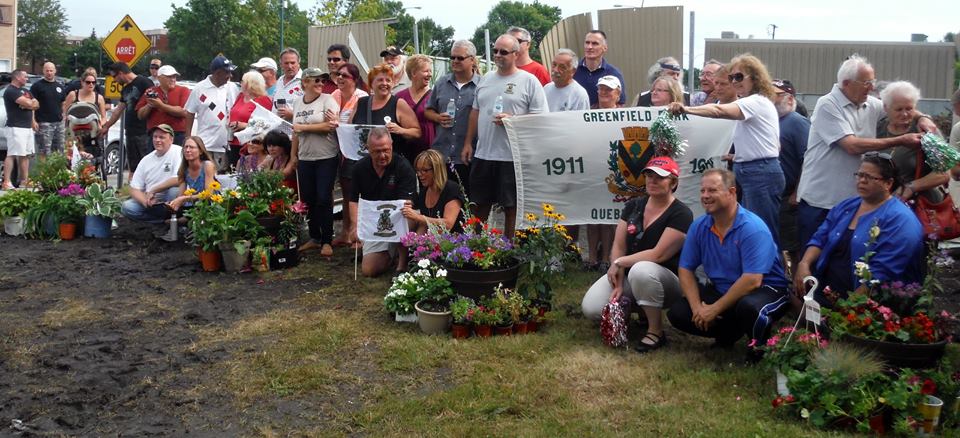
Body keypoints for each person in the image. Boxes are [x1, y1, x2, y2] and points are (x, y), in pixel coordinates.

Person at [795, 54, 935, 249]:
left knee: (845, 259)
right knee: (815, 255)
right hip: (822, 200)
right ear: (846, 83)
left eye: (873, 81)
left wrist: (923, 118)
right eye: (867, 82)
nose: (872, 87)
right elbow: (851, 145)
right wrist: (901, 140)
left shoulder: (870, 103)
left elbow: (897, 105)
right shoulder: (828, 104)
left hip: (852, 201)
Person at [666, 169, 791, 355]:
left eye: (712, 190)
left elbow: (752, 280)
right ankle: (729, 333)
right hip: (724, 290)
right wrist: (698, 309)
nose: (705, 196)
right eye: (702, 191)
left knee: (749, 308)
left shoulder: (752, 228)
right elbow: (685, 269)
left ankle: (759, 349)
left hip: (766, 289)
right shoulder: (699, 226)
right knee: (678, 313)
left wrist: (714, 309)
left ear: (732, 192)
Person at [668, 54, 785, 248]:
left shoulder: (755, 101)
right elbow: (774, 145)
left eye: (738, 77)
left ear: (754, 78)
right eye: (732, 78)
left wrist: (686, 109)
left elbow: (718, 111)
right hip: (753, 170)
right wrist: (739, 156)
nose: (734, 82)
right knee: (753, 231)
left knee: (762, 232)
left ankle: (770, 277)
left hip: (759, 173)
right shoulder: (754, 102)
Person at [581, 157, 693, 353]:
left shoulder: (682, 213)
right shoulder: (634, 205)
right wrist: (618, 278)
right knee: (590, 308)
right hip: (632, 275)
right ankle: (639, 310)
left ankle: (656, 331)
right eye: (649, 175)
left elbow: (658, 255)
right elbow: (618, 244)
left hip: (668, 281)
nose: (652, 180)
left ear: (673, 182)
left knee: (642, 270)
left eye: (660, 177)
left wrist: (620, 262)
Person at [793, 153, 924, 307]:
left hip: (866, 302)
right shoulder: (846, 206)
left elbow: (882, 273)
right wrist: (804, 264)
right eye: (860, 175)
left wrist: (848, 309)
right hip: (828, 290)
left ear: (888, 183)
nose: (862, 180)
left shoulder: (900, 220)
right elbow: (820, 238)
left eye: (869, 177)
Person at [462, 34, 548, 238]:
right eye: (495, 51)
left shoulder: (529, 81)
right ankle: (476, 249)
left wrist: (513, 119)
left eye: (504, 52)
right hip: (484, 153)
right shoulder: (486, 79)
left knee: (511, 207)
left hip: (512, 156)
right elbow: (476, 111)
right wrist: (468, 142)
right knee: (480, 205)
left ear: (516, 54)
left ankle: (509, 252)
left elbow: (541, 117)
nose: (498, 55)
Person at [348, 127, 417, 277]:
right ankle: (388, 255)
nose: (383, 155)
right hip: (373, 222)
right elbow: (353, 200)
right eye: (377, 151)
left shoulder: (404, 167)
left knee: (406, 219)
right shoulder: (359, 168)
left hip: (400, 217)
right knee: (369, 270)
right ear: (368, 149)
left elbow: (407, 204)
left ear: (391, 146)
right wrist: (355, 226)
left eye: (386, 150)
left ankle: (402, 262)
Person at [877, 81, 951, 207]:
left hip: (920, 205)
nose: (905, 114)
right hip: (883, 202)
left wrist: (911, 186)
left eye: (909, 108)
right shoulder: (879, 127)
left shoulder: (926, 130)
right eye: (899, 109)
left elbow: (944, 173)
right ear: (885, 108)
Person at [292, 67, 341, 257]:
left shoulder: (328, 100)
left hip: (325, 156)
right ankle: (314, 237)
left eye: (322, 81)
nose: (321, 84)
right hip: (305, 157)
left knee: (323, 197)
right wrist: (293, 155)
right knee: (308, 198)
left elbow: (330, 126)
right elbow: (295, 132)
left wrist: (304, 127)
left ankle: (327, 239)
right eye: (316, 80)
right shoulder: (297, 103)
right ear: (305, 82)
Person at [425, 40, 481, 194]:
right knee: (442, 201)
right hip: (442, 154)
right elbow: (427, 110)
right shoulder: (442, 83)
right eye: (452, 57)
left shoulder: (481, 86)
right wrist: (437, 118)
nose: (455, 61)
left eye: (460, 58)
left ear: (472, 60)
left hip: (468, 155)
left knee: (468, 203)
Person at [147, 135, 218, 241]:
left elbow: (208, 194)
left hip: (209, 202)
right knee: (167, 214)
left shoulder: (207, 165)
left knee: (197, 211)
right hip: (194, 202)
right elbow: (181, 194)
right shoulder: (183, 169)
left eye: (192, 147)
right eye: (186, 147)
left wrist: (183, 199)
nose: (188, 150)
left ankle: (186, 223)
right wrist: (174, 203)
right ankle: (182, 224)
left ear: (200, 151)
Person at [585, 75, 623, 271]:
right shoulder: (589, 113)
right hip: (592, 169)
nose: (604, 93)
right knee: (592, 215)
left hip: (614, 172)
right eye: (601, 89)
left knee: (609, 217)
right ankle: (592, 258)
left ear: (618, 93)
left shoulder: (626, 115)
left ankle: (608, 257)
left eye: (608, 89)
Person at [772, 79, 811, 267]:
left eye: (775, 95)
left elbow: (808, 159)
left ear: (789, 98)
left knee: (793, 249)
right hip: (774, 195)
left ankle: (798, 290)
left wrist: (798, 191)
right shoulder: (772, 121)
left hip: (789, 197)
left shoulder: (797, 122)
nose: (770, 99)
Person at [350, 63, 421, 165]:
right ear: (371, 84)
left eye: (388, 80)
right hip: (363, 164)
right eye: (380, 80)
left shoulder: (399, 104)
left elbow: (417, 132)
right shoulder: (361, 102)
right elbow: (350, 129)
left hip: (391, 165)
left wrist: (400, 130)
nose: (384, 83)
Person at [331, 62, 369, 248]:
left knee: (357, 193)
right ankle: (345, 232)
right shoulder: (334, 95)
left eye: (344, 75)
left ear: (354, 79)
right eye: (338, 74)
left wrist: (339, 124)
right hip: (337, 150)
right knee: (346, 193)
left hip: (356, 152)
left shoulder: (362, 97)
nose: (339, 78)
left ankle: (358, 233)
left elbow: (358, 127)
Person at [120, 124, 183, 228]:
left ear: (171, 139)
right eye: (155, 137)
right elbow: (134, 188)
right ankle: (161, 222)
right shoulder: (146, 160)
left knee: (174, 191)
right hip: (152, 202)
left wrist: (153, 190)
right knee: (127, 207)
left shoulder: (178, 152)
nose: (157, 140)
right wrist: (145, 201)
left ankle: (173, 220)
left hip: (170, 200)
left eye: (162, 137)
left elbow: (179, 179)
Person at [185, 55, 238, 172]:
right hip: (205, 144)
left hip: (226, 144)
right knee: (204, 176)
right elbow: (189, 113)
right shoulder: (199, 88)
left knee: (223, 178)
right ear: (218, 73)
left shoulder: (232, 87)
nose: (230, 76)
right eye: (227, 72)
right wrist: (188, 138)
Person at [102, 62, 155, 176]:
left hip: (143, 131)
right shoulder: (125, 89)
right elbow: (118, 110)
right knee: (133, 167)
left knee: (146, 164)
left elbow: (154, 103)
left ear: (121, 73)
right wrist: (107, 125)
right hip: (130, 132)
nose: (114, 80)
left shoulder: (144, 82)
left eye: (114, 76)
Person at [402, 149, 465, 234]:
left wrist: (418, 217)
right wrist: (415, 242)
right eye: (418, 170)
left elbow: (448, 224)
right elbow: (424, 224)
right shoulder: (424, 192)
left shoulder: (451, 189)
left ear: (436, 170)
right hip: (433, 239)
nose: (420, 174)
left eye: (424, 170)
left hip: (454, 240)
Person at [227, 70, 273, 167]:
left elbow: (267, 125)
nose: (241, 83)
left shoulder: (263, 100)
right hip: (233, 140)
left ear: (250, 84)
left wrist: (244, 125)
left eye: (243, 81)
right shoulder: (240, 96)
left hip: (250, 143)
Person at [135, 65, 190, 145]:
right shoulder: (151, 91)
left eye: (174, 77)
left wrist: (160, 105)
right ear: (159, 78)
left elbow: (183, 112)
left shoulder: (183, 90)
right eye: (169, 77)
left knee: (177, 157)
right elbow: (140, 115)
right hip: (156, 134)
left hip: (177, 134)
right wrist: (149, 105)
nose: (173, 79)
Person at [2, 70, 38, 190]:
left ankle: (24, 181)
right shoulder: (11, 91)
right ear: (17, 77)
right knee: (12, 154)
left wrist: (30, 106)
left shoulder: (26, 91)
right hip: (15, 127)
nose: (27, 79)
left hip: (27, 127)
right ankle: (6, 182)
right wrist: (28, 103)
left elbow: (36, 104)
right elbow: (27, 103)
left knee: (25, 155)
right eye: (25, 76)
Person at [396, 54, 435, 164]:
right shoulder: (400, 97)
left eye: (430, 71)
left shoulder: (434, 96)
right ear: (413, 73)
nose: (430, 74)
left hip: (428, 151)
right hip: (406, 150)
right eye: (426, 71)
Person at [573, 30, 625, 108]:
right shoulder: (572, 71)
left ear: (605, 48)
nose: (589, 47)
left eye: (595, 44)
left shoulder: (614, 74)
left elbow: (621, 105)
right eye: (587, 43)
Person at [62, 70, 107, 143]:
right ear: (82, 82)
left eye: (93, 82)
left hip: (93, 133)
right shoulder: (73, 95)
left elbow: (104, 117)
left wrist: (100, 124)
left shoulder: (99, 98)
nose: (91, 84)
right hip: (74, 132)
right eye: (88, 82)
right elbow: (64, 113)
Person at [31, 62, 65, 156]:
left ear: (55, 71)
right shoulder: (37, 86)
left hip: (59, 123)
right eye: (47, 71)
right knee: (45, 151)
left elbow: (63, 103)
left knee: (60, 149)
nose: (49, 73)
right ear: (43, 71)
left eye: (51, 70)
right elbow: (32, 105)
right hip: (43, 123)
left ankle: (58, 170)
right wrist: (33, 121)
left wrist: (64, 116)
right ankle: (44, 171)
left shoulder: (60, 86)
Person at [544, 48, 590, 113]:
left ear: (573, 71)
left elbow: (582, 121)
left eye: (562, 67)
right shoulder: (546, 89)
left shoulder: (580, 94)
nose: (556, 70)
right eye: (554, 65)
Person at [273, 47, 304, 121]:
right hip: (275, 128)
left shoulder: (306, 81)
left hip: (295, 130)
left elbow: (313, 113)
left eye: (293, 63)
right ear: (281, 65)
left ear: (298, 64)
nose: (290, 66)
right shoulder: (279, 81)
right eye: (286, 63)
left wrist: (292, 114)